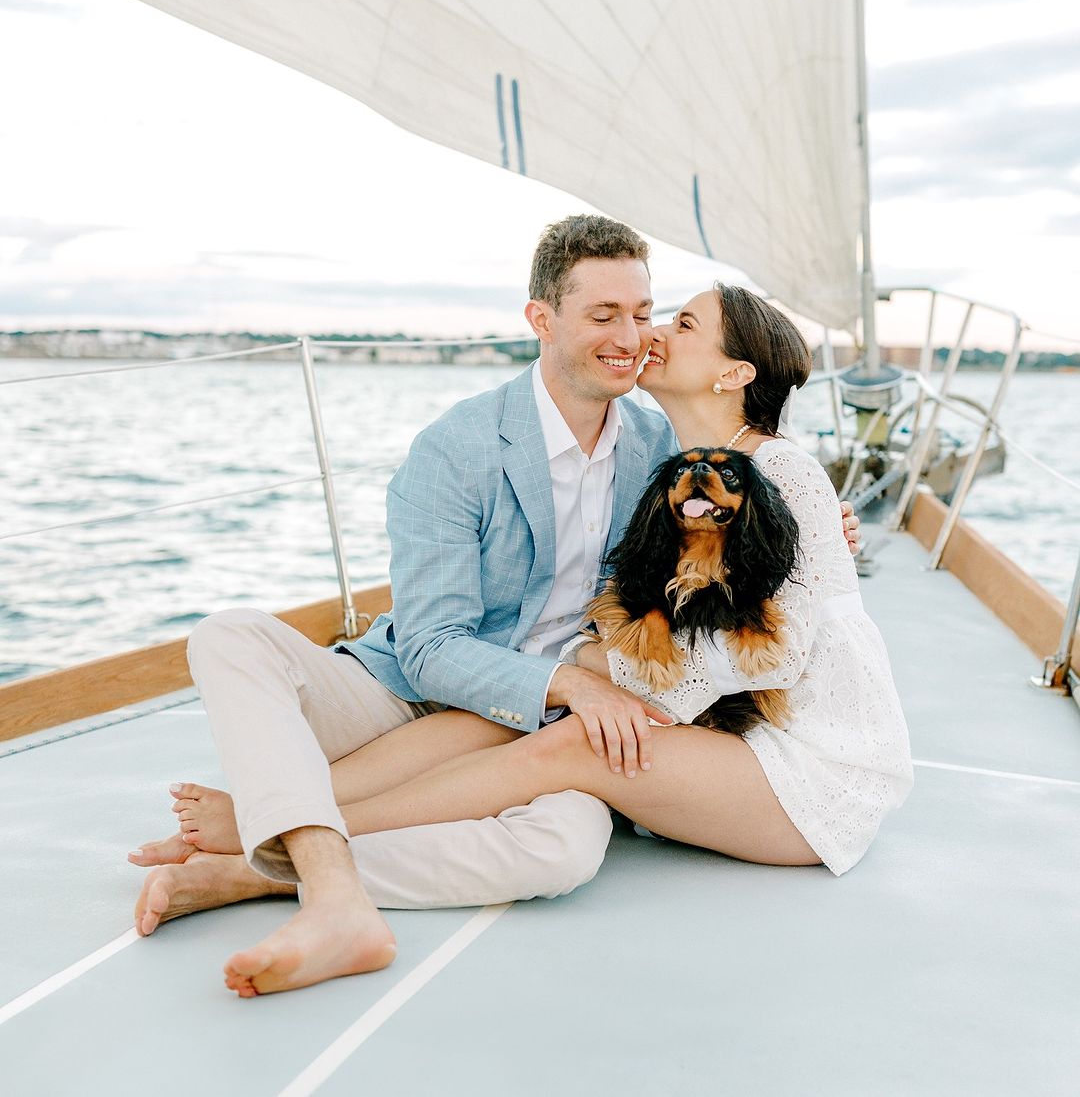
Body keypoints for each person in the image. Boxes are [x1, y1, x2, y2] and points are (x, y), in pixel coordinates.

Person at [130, 218, 862, 997]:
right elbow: (429, 646)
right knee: (231, 638)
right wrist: (570, 683)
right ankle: (336, 898)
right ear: (541, 319)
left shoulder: (664, 451)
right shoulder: (459, 447)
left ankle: (260, 863)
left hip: (553, 725)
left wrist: (823, 526)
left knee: (564, 852)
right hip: (411, 695)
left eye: (643, 312)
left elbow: (744, 511)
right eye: (603, 314)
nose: (631, 336)